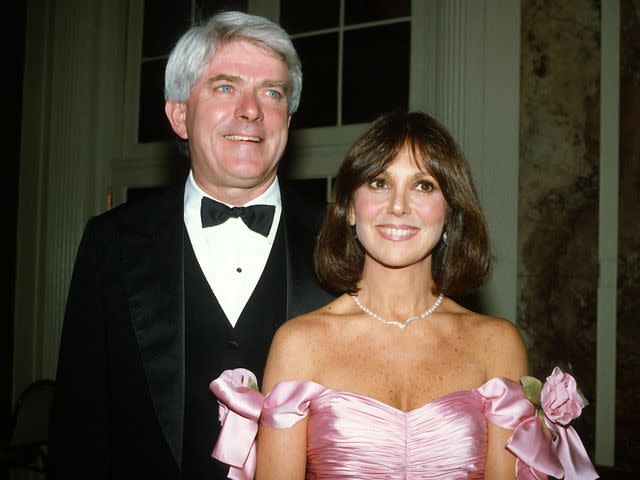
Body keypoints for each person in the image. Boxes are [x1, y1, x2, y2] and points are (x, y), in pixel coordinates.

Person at [210, 110, 599, 479]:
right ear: (348, 208)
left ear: (449, 213)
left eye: (423, 186)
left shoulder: (496, 344)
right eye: (379, 183)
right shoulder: (299, 344)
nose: (398, 206)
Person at [47, 10, 333, 479]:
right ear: (179, 115)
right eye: (225, 87)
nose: (251, 110)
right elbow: (78, 429)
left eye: (272, 92)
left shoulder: (344, 242)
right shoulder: (111, 244)